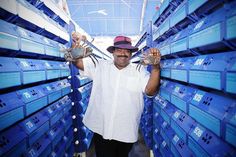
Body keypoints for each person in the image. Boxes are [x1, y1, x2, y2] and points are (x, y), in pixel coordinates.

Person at [72, 35, 161, 157]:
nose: (123, 53)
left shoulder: (139, 70)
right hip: (102, 128)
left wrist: (155, 67)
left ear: (130, 54)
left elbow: (150, 91)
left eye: (127, 51)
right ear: (113, 52)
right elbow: (78, 63)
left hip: (126, 129)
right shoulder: (100, 66)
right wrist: (75, 51)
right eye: (119, 49)